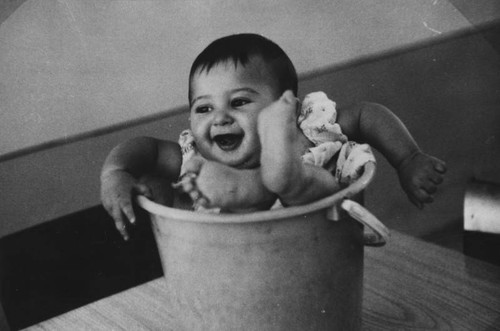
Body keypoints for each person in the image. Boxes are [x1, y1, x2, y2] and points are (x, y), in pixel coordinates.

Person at [100, 33, 446, 240]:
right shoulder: (195, 156)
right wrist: (116, 173)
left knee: (317, 186)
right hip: (231, 273)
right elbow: (142, 147)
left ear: (289, 108)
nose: (219, 118)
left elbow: (367, 113)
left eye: (239, 102)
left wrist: (408, 159)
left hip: (319, 235)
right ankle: (265, 181)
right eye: (203, 108)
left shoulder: (307, 127)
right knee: (206, 179)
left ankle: (288, 176)